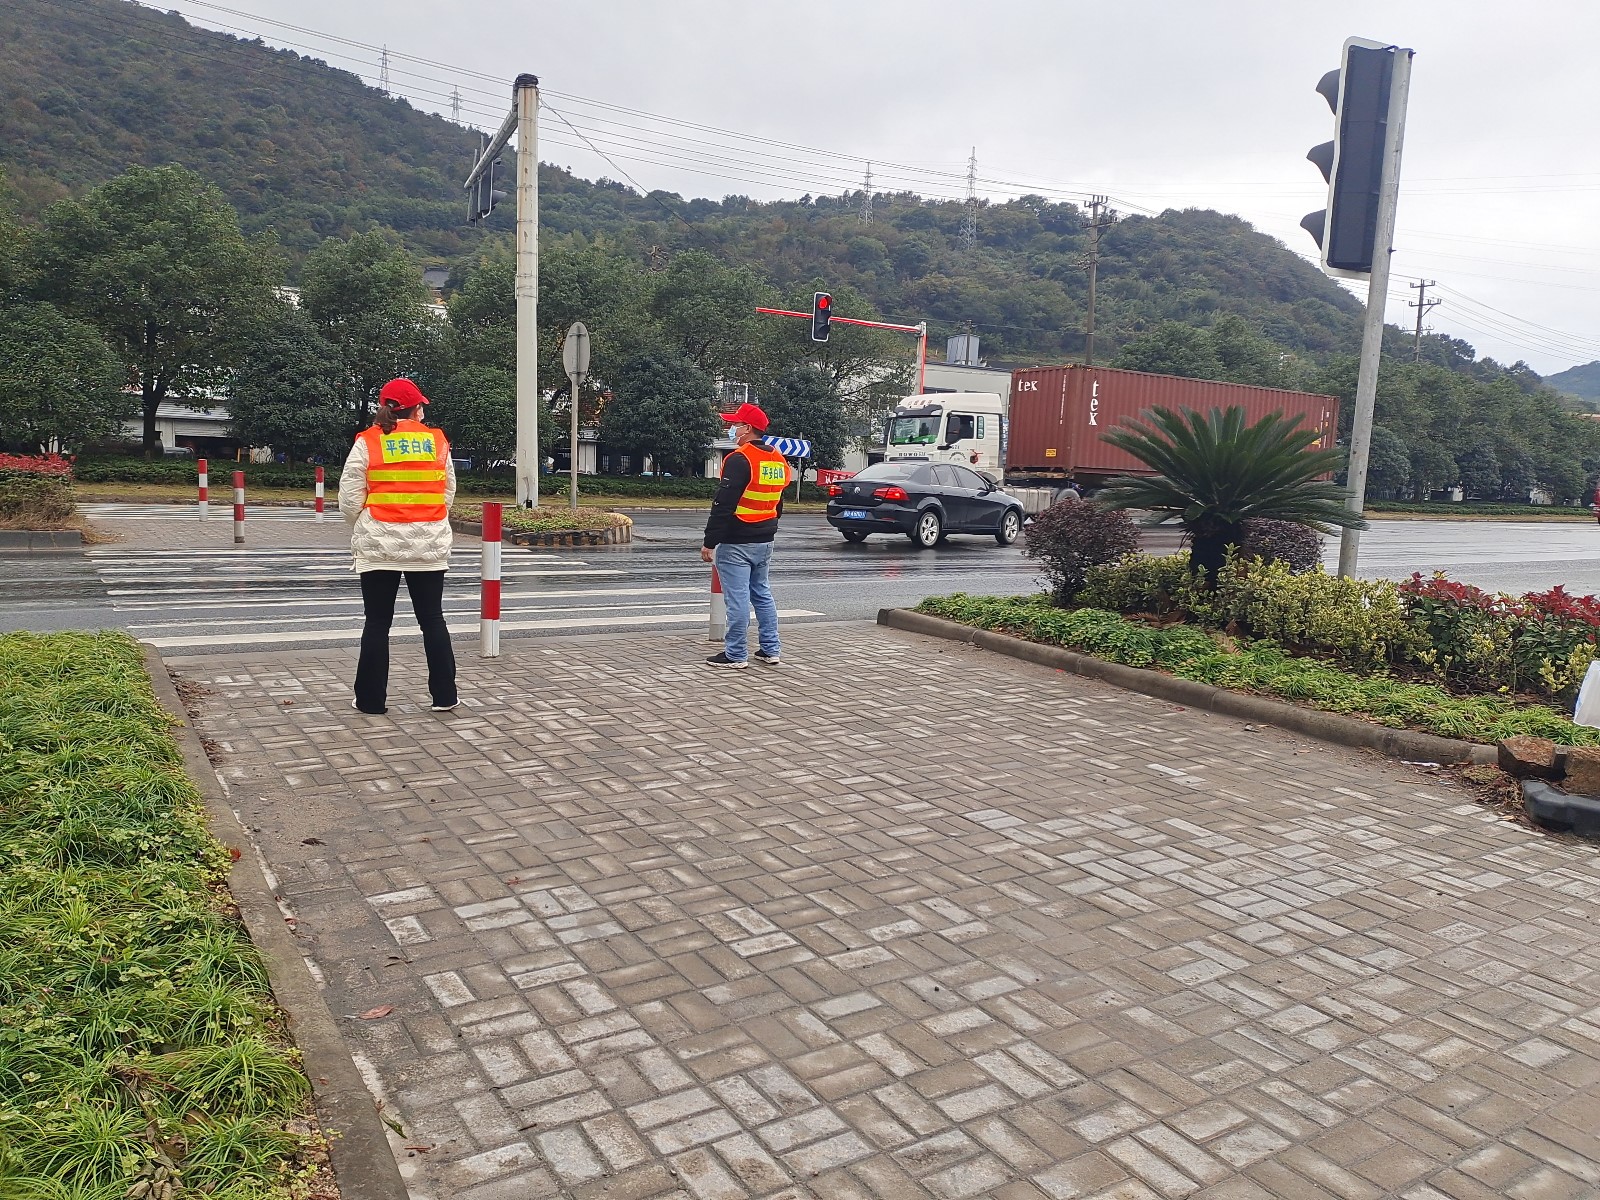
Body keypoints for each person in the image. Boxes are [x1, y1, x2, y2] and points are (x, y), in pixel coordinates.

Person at [339, 378, 459, 715]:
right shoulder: (437, 441)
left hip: (379, 543)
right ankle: (445, 696)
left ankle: (371, 701)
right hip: (428, 544)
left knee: (377, 622)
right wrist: (427, 520)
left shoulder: (368, 441)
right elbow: (447, 492)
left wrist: (365, 525)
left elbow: (350, 497)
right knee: (432, 619)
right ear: (416, 409)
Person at [701, 401, 791, 670]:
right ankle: (770, 650)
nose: (732, 429)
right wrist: (768, 526)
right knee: (762, 594)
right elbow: (778, 501)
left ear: (747, 428)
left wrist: (709, 542)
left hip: (737, 540)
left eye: (735, 424)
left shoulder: (739, 459)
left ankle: (736, 654)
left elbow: (723, 504)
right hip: (765, 538)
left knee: (737, 599)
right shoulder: (778, 458)